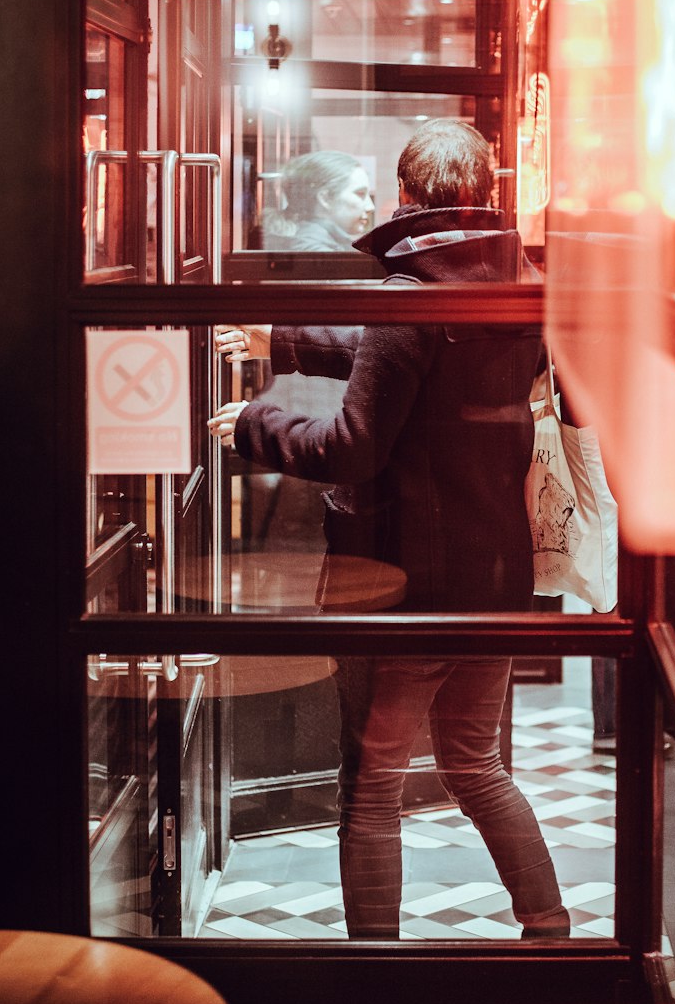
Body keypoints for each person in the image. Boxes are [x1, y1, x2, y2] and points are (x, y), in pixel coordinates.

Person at [210, 119, 571, 941]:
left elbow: (353, 446)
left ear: (406, 196)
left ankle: (377, 965)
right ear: (487, 194)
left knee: (371, 790)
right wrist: (288, 338)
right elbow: (410, 363)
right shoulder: (521, 291)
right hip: (493, 580)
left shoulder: (404, 298)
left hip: (398, 582)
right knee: (477, 767)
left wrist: (255, 427)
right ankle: (551, 932)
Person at [260, 150, 374, 250]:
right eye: (360, 194)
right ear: (325, 199)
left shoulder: (316, 242)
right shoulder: (313, 249)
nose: (371, 207)